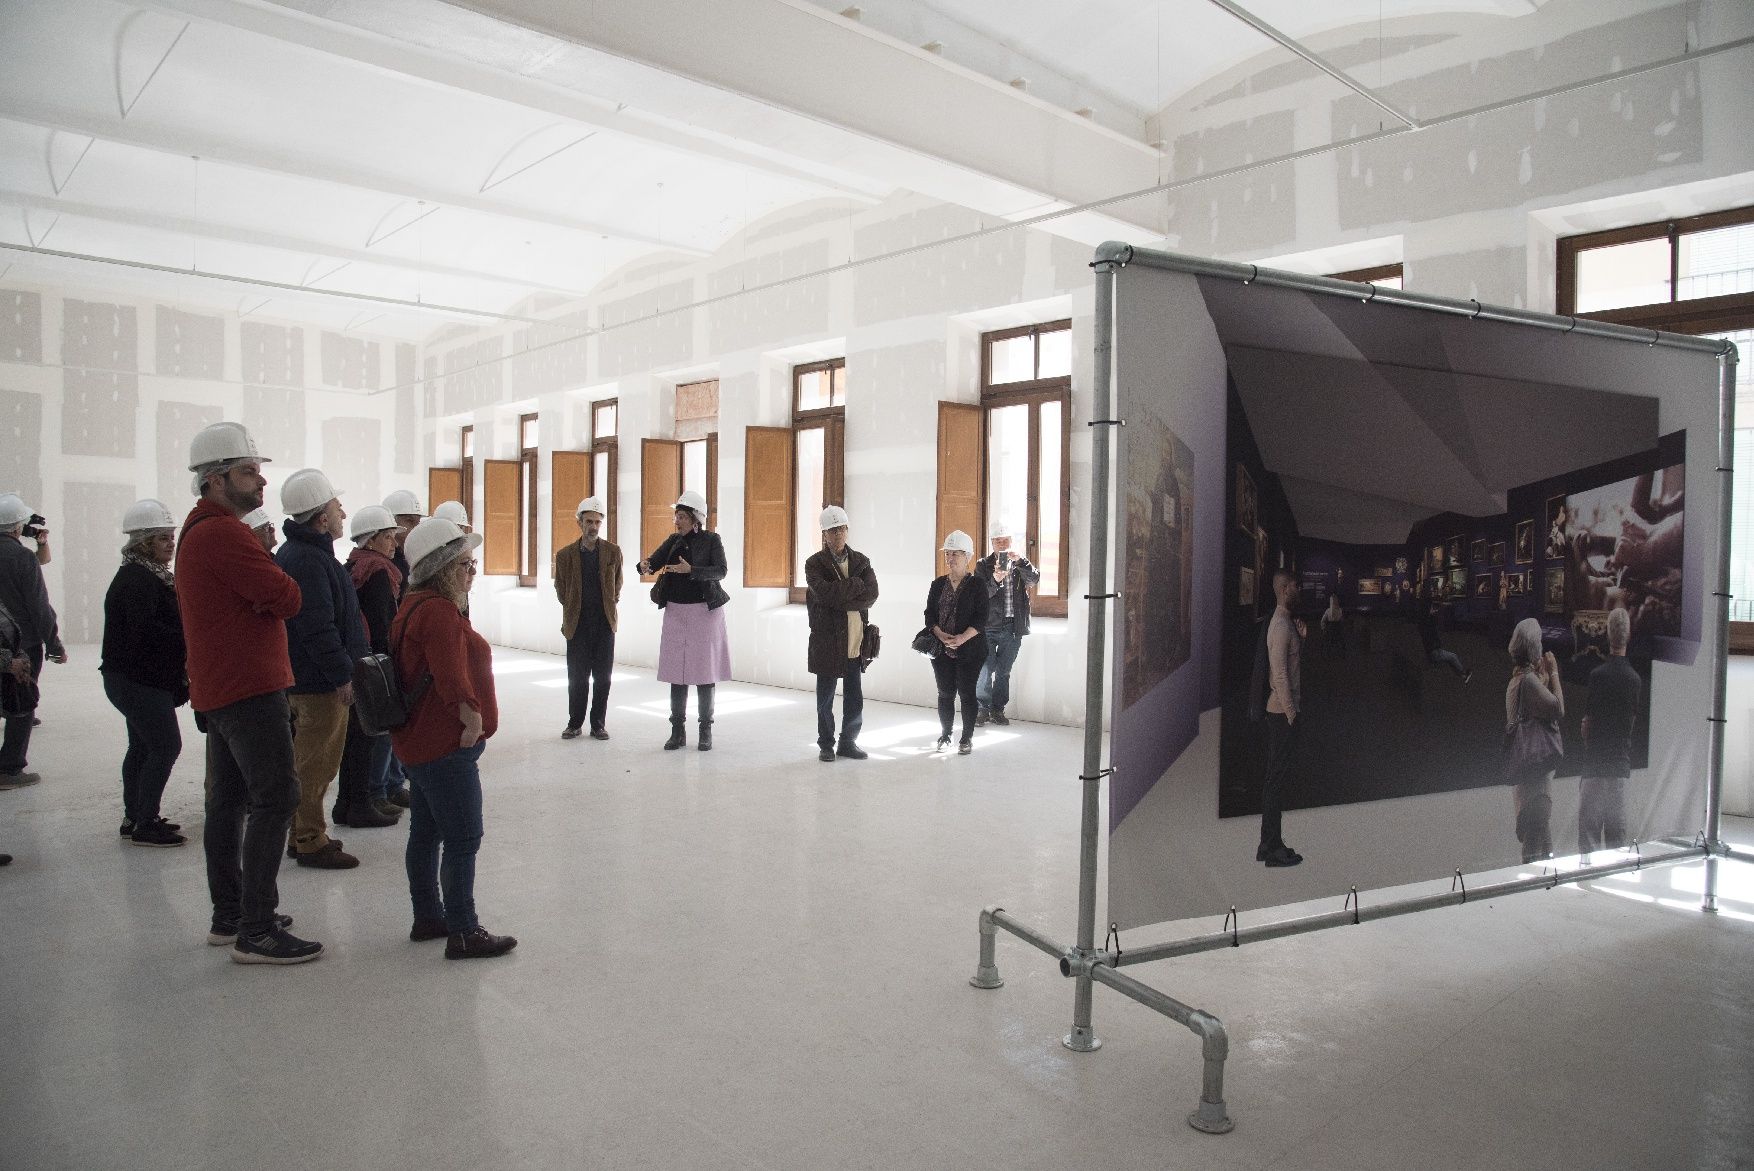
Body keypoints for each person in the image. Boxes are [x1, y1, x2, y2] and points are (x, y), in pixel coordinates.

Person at [178, 421, 320, 964]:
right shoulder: (223, 533)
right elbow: (288, 595)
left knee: (230, 800)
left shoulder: (204, 530)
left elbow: (273, 593)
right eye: (247, 472)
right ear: (215, 480)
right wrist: (270, 591)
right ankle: (256, 929)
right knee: (276, 797)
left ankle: (231, 914)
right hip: (248, 688)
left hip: (225, 687)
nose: (261, 483)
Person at [392, 517, 516, 959]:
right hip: (443, 746)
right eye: (464, 563)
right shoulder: (439, 613)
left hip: (418, 745)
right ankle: (464, 930)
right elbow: (452, 681)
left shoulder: (413, 605)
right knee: (463, 838)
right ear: (441, 567)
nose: (472, 571)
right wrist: (471, 723)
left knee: (425, 833)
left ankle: (428, 915)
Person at [275, 468, 369, 869]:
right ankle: (310, 839)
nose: (343, 512)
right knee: (315, 765)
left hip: (310, 679)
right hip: (318, 685)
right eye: (337, 506)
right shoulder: (309, 560)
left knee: (310, 761)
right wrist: (342, 676)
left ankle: (303, 833)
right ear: (321, 517)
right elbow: (318, 628)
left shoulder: (304, 555)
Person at [100, 499, 189, 847]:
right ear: (143, 543)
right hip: (137, 681)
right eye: (163, 538)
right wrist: (188, 639)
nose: (171, 543)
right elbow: (147, 631)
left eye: (171, 536)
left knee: (141, 746)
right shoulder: (137, 580)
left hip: (133, 679)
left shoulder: (145, 575)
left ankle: (135, 816)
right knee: (166, 745)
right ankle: (145, 822)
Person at [638, 490, 730, 752]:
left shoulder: (712, 540)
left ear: (695, 519)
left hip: (705, 613)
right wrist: (644, 565)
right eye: (675, 516)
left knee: (704, 674)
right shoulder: (673, 540)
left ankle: (705, 730)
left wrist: (693, 571)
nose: (676, 521)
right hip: (676, 613)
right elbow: (653, 561)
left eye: (681, 517)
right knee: (676, 674)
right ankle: (677, 730)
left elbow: (721, 570)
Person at [332, 505, 404, 829]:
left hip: (358, 660)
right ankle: (368, 799)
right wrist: (389, 663)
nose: (394, 543)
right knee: (369, 736)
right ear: (371, 540)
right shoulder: (377, 572)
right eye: (388, 537)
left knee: (356, 737)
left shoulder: (355, 565)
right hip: (372, 663)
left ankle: (348, 802)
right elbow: (381, 623)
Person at [0, 492, 64, 787]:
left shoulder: (23, 555)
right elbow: (38, 605)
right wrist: (53, 643)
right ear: (17, 527)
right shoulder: (21, 557)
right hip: (21, 644)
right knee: (21, 705)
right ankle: (10, 768)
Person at [805, 505, 878, 763]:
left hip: (855, 641)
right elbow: (823, 594)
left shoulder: (861, 561)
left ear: (847, 531)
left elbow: (872, 595)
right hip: (827, 641)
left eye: (841, 529)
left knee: (854, 696)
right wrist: (855, 586)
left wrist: (841, 596)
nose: (837, 535)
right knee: (825, 698)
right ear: (824, 534)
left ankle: (848, 742)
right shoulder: (814, 564)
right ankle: (826, 744)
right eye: (832, 531)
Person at [554, 496, 623, 741]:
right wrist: (574, 608)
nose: (593, 526)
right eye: (589, 521)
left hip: (604, 624)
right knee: (577, 677)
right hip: (577, 625)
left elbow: (617, 585)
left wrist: (608, 605)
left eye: (597, 522)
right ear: (579, 523)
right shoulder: (564, 556)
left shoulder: (613, 552)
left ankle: (598, 724)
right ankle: (575, 723)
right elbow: (561, 590)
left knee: (603, 677)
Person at [1578, 608, 1640, 861]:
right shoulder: (1634, 679)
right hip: (1619, 768)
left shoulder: (1598, 676)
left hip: (1594, 766)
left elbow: (1588, 724)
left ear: (1607, 634)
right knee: (1617, 845)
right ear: (1628, 636)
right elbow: (1630, 723)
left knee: (1589, 844)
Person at [1505, 617, 1563, 864]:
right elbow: (1557, 708)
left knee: (1545, 855)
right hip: (1536, 787)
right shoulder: (1528, 682)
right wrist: (1554, 672)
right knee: (1535, 859)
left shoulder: (1517, 681)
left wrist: (1544, 680)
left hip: (1527, 786)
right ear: (1533, 648)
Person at [926, 529, 987, 755]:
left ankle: (967, 738)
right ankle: (946, 734)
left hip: (970, 650)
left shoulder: (978, 585)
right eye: (948, 554)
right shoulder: (938, 584)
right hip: (941, 650)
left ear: (968, 557)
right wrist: (940, 634)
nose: (950, 559)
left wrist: (962, 638)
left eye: (956, 554)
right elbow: (929, 615)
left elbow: (982, 619)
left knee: (967, 693)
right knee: (945, 693)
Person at [1260, 569, 1305, 867]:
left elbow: (1290, 663)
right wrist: (1290, 712)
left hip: (1281, 712)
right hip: (1280, 713)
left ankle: (1268, 843)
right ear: (1285, 588)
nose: (1299, 589)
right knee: (1275, 781)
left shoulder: (1286, 623)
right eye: (1295, 586)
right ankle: (1273, 849)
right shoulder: (1279, 626)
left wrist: (1301, 638)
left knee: (1275, 778)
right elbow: (1279, 675)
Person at [974, 520, 1038, 727]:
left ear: (1011, 541)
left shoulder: (1019, 564)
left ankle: (997, 710)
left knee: (1004, 671)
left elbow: (1034, 580)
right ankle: (982, 709)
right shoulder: (983, 565)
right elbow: (981, 595)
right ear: (991, 542)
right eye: (997, 540)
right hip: (988, 626)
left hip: (1013, 627)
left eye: (1005, 540)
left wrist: (1021, 562)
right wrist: (995, 579)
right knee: (984, 669)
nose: (1002, 544)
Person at [1416, 595, 1471, 682]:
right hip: (1433, 651)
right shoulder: (1426, 623)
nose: (1433, 609)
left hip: (1432, 650)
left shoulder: (1424, 621)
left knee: (1450, 660)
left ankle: (1463, 676)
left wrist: (1432, 614)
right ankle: (1464, 673)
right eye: (1431, 607)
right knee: (1453, 657)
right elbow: (1431, 629)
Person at [382, 489, 424, 583]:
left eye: (418, 522)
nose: (416, 528)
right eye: (410, 521)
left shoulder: (414, 558)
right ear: (391, 522)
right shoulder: (379, 565)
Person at [1320, 594, 1345, 659]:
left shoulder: (1328, 611)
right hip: (1338, 628)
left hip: (1330, 628)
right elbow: (1342, 620)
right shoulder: (1340, 610)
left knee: (1329, 642)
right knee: (1339, 642)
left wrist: (1323, 628)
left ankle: (1328, 655)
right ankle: (1341, 655)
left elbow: (1323, 621)